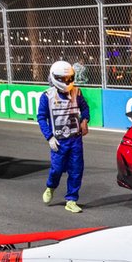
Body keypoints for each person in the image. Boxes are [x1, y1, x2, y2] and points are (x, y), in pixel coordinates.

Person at [38, 60, 91, 213]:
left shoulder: (77, 92)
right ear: (55, 78)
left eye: (69, 78)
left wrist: (85, 120)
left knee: (76, 170)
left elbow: (85, 108)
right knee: (57, 169)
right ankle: (50, 187)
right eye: (63, 79)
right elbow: (41, 118)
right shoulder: (47, 96)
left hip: (75, 139)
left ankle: (72, 199)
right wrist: (49, 137)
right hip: (59, 141)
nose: (67, 82)